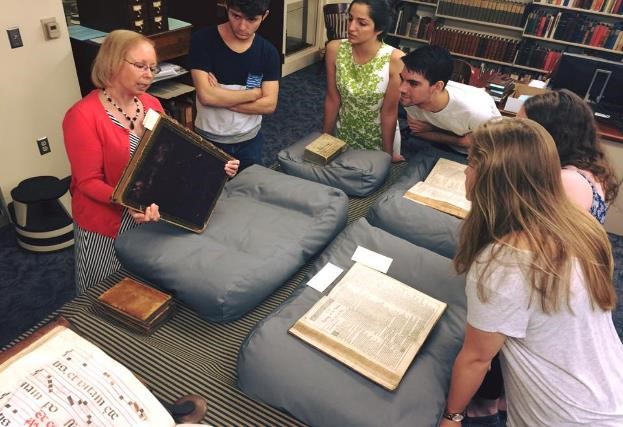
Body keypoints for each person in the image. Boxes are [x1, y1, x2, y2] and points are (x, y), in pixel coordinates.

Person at [440, 117, 623, 426]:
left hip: (562, 415)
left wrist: (452, 417)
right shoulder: (581, 225)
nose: (465, 171)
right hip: (610, 389)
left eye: (470, 163)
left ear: (489, 178)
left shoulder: (502, 264)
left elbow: (476, 359)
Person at [63, 30, 240, 295]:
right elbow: (87, 182)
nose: (149, 74)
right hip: (106, 221)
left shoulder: (151, 104)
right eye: (140, 66)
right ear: (112, 62)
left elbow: (174, 156)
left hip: (147, 212)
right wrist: (131, 199)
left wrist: (214, 166)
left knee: (141, 285)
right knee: (103, 290)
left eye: (153, 68)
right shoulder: (82, 116)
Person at [188, 0, 280, 171]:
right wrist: (254, 94)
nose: (242, 27)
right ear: (226, 8)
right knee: (208, 191)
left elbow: (269, 105)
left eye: (252, 20)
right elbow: (206, 97)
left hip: (250, 141)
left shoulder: (268, 52)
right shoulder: (203, 40)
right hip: (209, 140)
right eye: (236, 16)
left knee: (248, 190)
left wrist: (219, 95)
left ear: (264, 16)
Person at [519, 89, 619, 224]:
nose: (513, 134)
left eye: (522, 128)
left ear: (552, 134)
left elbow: (546, 240)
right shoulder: (585, 165)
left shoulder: (568, 182)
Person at [323, 0, 405, 162]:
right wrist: (325, 139)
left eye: (362, 23)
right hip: (344, 133)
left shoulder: (395, 59)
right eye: (350, 19)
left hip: (378, 140)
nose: (352, 27)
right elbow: (333, 98)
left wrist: (386, 155)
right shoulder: (334, 49)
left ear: (379, 29)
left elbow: (389, 112)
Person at [399, 45, 500, 152]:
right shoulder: (410, 99)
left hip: (481, 153)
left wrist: (432, 129)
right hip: (442, 145)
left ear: (437, 86)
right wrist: (460, 141)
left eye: (413, 83)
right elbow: (418, 132)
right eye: (402, 79)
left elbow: (495, 148)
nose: (401, 89)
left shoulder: (477, 113)